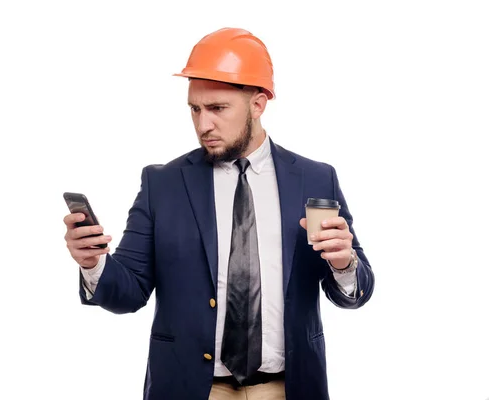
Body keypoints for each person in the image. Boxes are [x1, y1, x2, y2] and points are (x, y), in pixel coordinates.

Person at [63, 27, 375, 400]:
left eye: (217, 109)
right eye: (195, 109)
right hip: (191, 389)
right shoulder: (162, 184)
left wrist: (344, 265)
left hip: (288, 388)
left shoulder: (315, 179)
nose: (202, 124)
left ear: (258, 105)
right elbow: (128, 293)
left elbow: (356, 293)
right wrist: (94, 263)